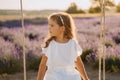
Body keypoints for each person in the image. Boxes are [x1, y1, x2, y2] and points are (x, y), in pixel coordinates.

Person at [37, 12, 89, 80]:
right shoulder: (50, 44)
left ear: (62, 28)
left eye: (52, 25)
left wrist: (86, 79)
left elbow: (79, 63)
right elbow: (43, 65)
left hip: (70, 76)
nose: (49, 28)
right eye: (49, 25)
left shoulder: (72, 44)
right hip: (53, 77)